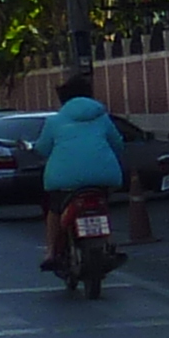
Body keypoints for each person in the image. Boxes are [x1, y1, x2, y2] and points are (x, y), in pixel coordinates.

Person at [35, 76, 126, 273]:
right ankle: (108, 245)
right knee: (102, 206)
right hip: (103, 175)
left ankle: (50, 252)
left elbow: (42, 149)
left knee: (54, 210)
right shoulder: (103, 118)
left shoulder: (55, 121)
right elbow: (118, 144)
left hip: (64, 179)